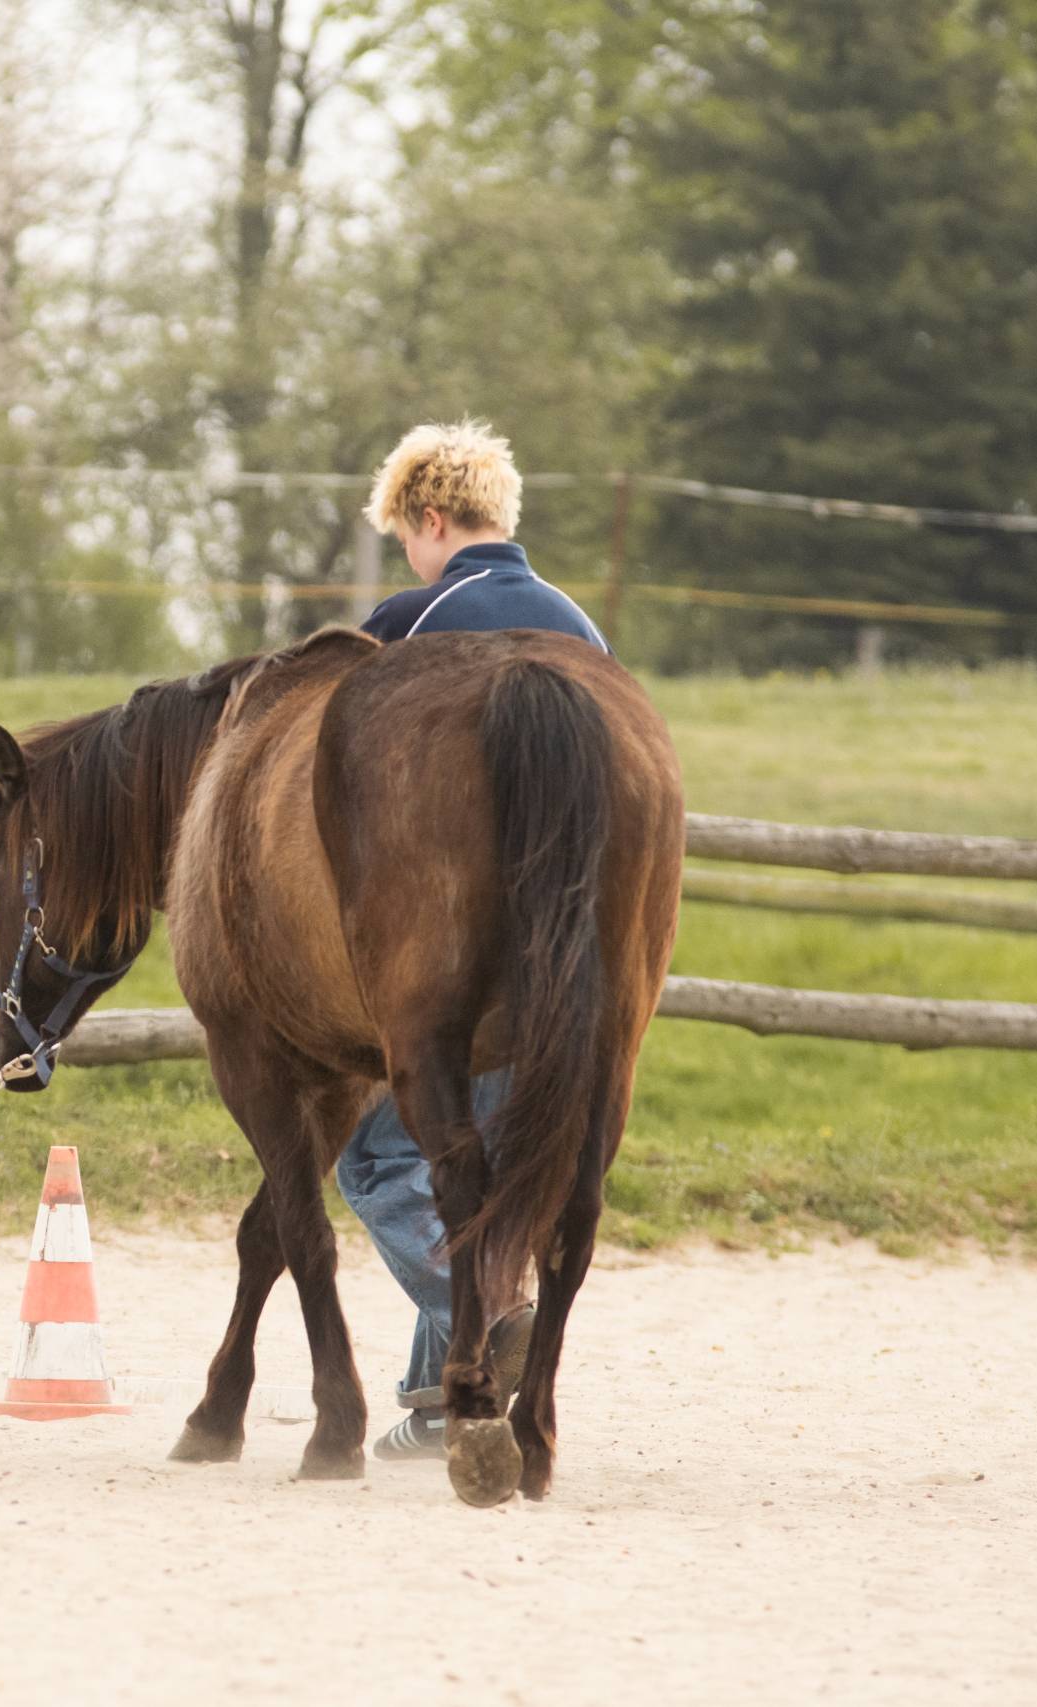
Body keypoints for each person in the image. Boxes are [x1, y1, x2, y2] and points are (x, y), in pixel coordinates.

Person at [342, 419, 607, 1460]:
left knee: (381, 1158)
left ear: (431, 520)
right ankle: (433, 1401)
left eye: (406, 536)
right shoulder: (582, 633)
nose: (409, 553)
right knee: (487, 1166)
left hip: (448, 950)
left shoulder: (411, 622)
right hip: (553, 963)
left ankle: (491, 1315)